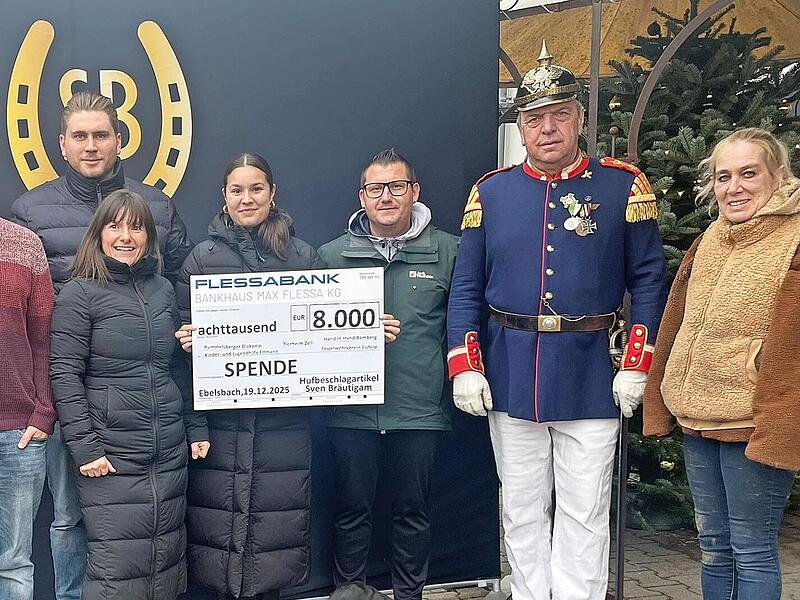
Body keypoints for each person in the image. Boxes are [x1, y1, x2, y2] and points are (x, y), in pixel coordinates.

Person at [446, 42, 667, 600]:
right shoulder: (491, 192)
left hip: (592, 371)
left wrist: (637, 362)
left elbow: (648, 280)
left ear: (580, 119)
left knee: (584, 511)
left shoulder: (622, 186)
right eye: (534, 118)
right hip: (511, 370)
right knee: (520, 508)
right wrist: (465, 365)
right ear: (521, 127)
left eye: (559, 114)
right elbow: (467, 287)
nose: (547, 128)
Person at [9, 90, 193, 600]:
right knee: (69, 517)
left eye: (101, 135)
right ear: (62, 144)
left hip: (141, 404)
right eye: (80, 136)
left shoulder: (157, 206)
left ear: (120, 140)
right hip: (63, 394)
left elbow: (183, 286)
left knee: (146, 520)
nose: (91, 146)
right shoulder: (30, 211)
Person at [644, 127, 800, 600]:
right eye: (723, 176)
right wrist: (662, 396)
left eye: (748, 174)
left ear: (778, 175)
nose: (734, 187)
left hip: (752, 422)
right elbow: (676, 320)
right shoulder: (711, 237)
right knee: (713, 545)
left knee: (751, 549)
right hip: (698, 417)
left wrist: (779, 420)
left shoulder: (794, 239)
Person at [175, 152, 323, 600]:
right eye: (237, 190)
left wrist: (364, 337)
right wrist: (189, 342)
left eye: (256, 189)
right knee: (218, 540)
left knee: (275, 542)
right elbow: (178, 357)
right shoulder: (200, 260)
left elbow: (323, 339)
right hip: (220, 426)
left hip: (284, 426)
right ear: (223, 196)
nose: (247, 199)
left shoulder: (303, 257)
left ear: (272, 193)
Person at [48, 190, 208, 600]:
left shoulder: (163, 291)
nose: (126, 236)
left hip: (167, 451)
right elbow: (64, 374)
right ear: (98, 234)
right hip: (110, 456)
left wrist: (195, 427)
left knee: (166, 560)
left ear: (149, 236)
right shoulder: (79, 293)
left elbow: (176, 366)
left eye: (136, 227)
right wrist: (86, 449)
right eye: (114, 226)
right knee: (117, 569)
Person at [317, 148, 459, 600]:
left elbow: (464, 326)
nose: (386, 197)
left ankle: (408, 595)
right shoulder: (331, 256)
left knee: (413, 512)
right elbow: (306, 333)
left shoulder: (449, 251)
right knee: (351, 511)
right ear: (362, 196)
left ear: (414, 191)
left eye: (396, 186)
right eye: (375, 188)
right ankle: (349, 594)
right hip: (351, 409)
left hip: (418, 408)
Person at [0, 218, 55, 600]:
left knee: (14, 562)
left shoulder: (24, 244)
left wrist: (43, 412)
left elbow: (44, 340)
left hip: (17, 434)